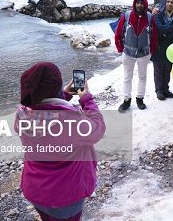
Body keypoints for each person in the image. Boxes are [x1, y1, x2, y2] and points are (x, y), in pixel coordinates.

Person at [15, 62, 105, 221]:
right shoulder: (71, 122)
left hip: (36, 190)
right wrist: (86, 99)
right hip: (66, 196)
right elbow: (97, 129)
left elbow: (43, 109)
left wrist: (63, 94)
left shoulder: (22, 114)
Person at [115, 0, 158, 112]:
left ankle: (140, 98)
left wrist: (152, 51)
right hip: (128, 53)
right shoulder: (127, 15)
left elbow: (154, 36)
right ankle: (126, 100)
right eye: (137, 3)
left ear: (145, 4)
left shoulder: (149, 17)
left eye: (141, 3)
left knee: (142, 77)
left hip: (143, 54)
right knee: (127, 78)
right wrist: (120, 48)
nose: (139, 5)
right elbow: (118, 32)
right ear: (134, 4)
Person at [151, 0, 173, 100]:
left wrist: (166, 33)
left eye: (172, 2)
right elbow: (158, 28)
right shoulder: (158, 15)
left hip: (171, 48)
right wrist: (170, 29)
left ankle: (166, 89)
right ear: (165, 2)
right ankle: (159, 91)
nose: (169, 4)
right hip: (158, 46)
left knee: (167, 69)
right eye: (168, 1)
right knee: (158, 70)